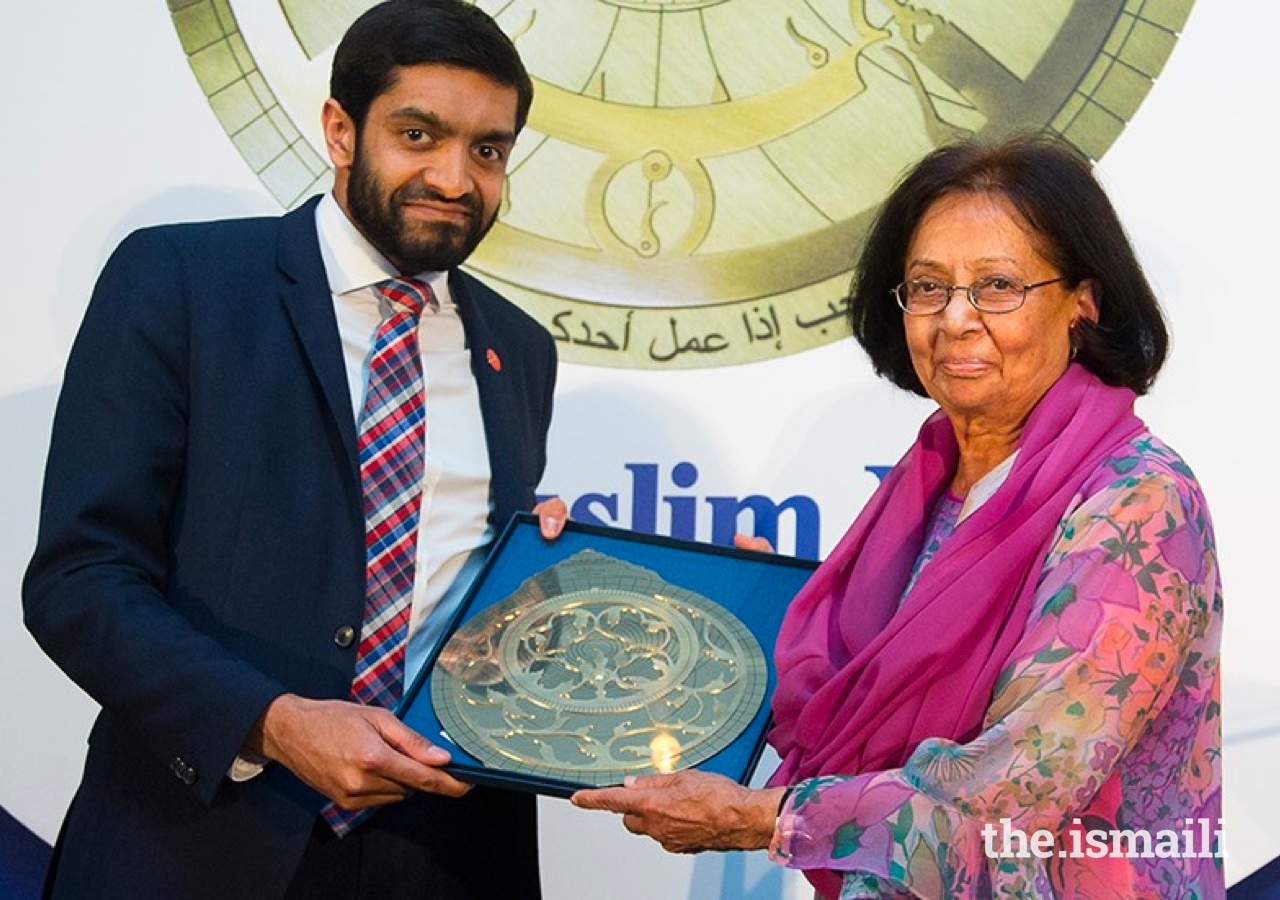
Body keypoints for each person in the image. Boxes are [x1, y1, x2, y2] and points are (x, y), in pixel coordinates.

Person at [572, 133, 1224, 898]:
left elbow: (1015, 795)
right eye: (927, 286)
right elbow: (851, 698)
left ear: (1083, 303)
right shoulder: (927, 488)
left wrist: (763, 818)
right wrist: (677, 611)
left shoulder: (1138, 502)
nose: (955, 319)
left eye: (998, 286)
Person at [22, 2, 566, 898]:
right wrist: (271, 723)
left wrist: (545, 587)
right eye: (418, 133)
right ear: (339, 131)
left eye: (488, 150)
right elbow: (80, 579)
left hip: (445, 855)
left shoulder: (519, 349)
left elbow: (457, 598)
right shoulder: (181, 284)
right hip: (198, 843)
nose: (454, 177)